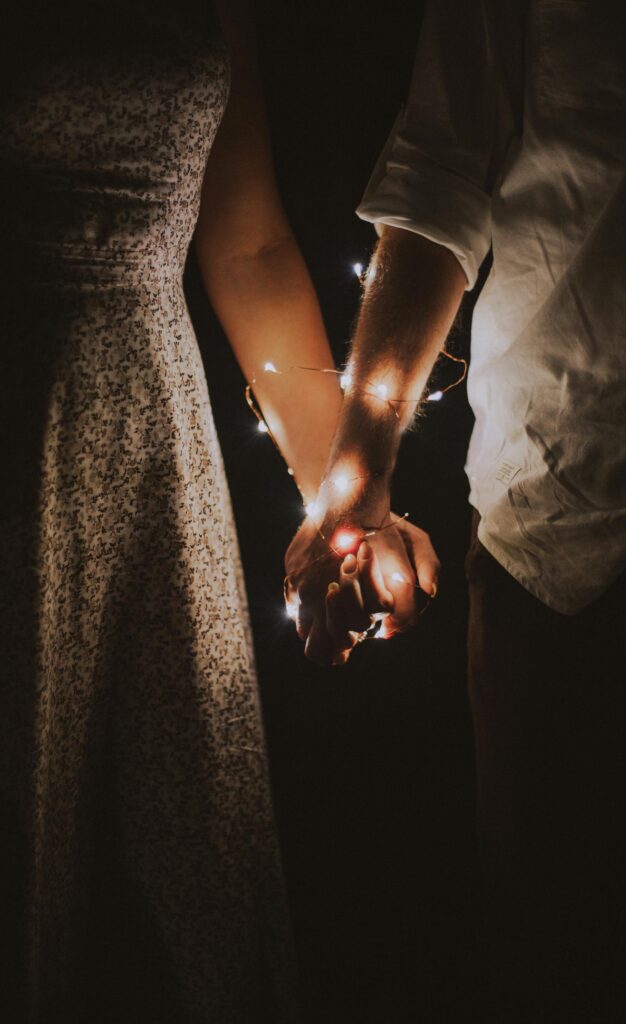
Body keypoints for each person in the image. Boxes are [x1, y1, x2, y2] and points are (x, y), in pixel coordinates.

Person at [286, 1, 626, 1020]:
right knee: (559, 962)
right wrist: (359, 461)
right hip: (564, 541)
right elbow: (440, 170)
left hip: (563, 526)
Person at [0, 1, 342, 1020]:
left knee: (187, 851)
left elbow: (247, 247)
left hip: (160, 441)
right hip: (21, 428)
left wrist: (341, 499)